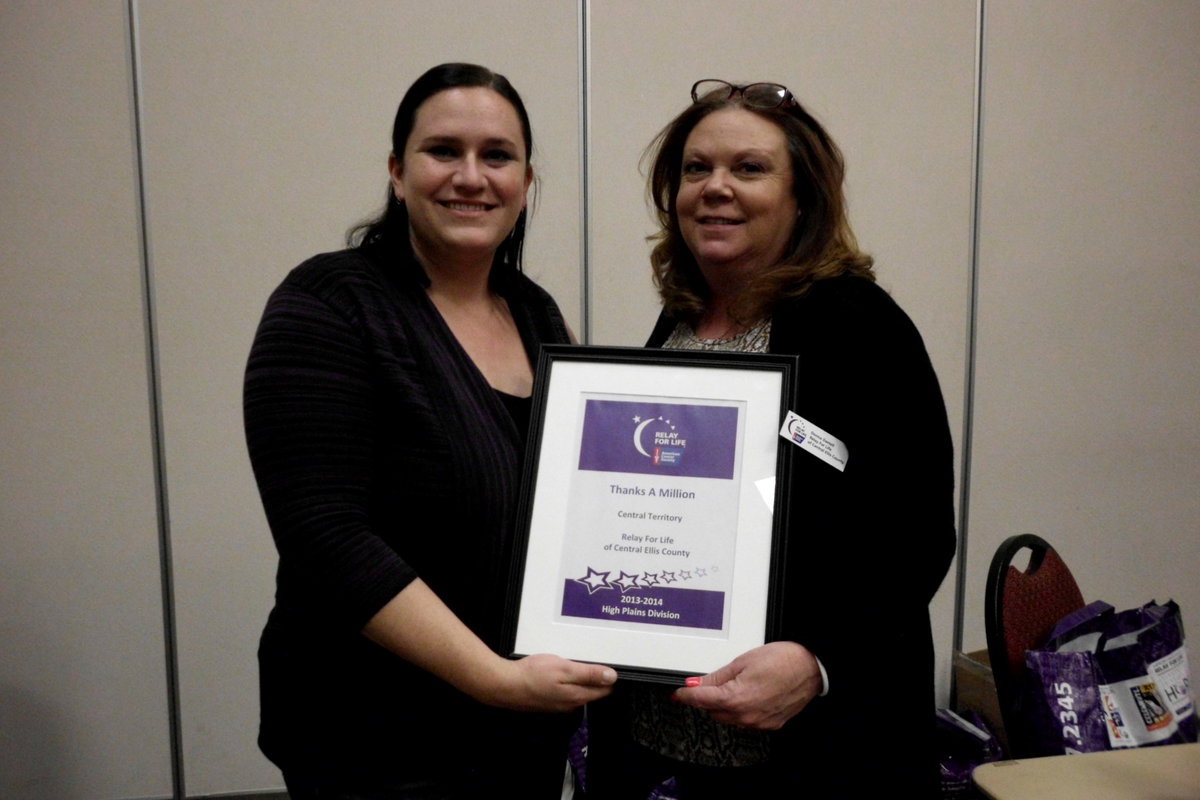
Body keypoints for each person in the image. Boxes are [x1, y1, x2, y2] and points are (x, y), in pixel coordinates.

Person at [243, 62, 615, 799]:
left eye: (497, 156)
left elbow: (582, 499)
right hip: (374, 735)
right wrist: (495, 679)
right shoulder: (329, 303)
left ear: (527, 181)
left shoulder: (534, 312)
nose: (471, 176)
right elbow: (325, 536)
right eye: (444, 150)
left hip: (520, 729)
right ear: (396, 171)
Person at [585, 80, 957, 797]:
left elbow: (918, 536)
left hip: (806, 743)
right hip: (657, 734)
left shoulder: (862, 328)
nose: (715, 188)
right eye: (696, 169)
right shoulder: (680, 324)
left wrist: (820, 661)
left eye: (748, 169)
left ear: (802, 198)